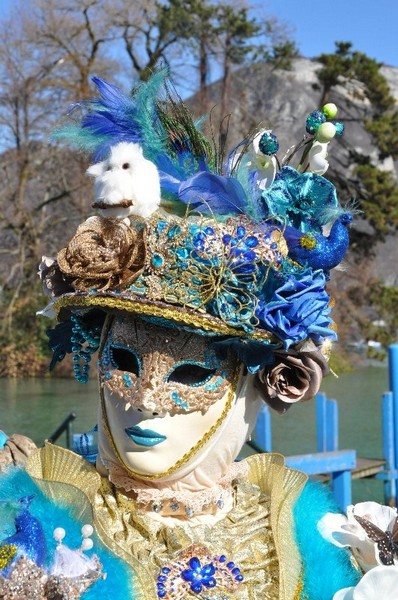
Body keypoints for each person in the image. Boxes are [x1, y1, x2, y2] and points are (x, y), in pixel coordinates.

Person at [0, 75, 360, 599]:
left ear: (249, 385)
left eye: (191, 372)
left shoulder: (307, 534)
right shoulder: (40, 517)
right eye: (124, 362)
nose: (147, 401)